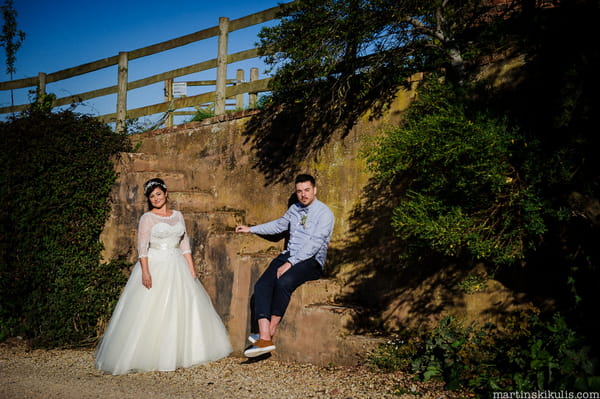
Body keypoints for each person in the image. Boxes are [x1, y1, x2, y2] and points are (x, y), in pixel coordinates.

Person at [95, 178, 232, 375]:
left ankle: (185, 354)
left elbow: (184, 244)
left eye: (158, 194)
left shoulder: (178, 215)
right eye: (152, 196)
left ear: (166, 193)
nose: (156, 198)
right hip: (156, 263)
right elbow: (142, 248)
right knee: (152, 309)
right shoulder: (147, 218)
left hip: (178, 264)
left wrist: (192, 268)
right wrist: (146, 271)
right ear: (149, 199)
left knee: (181, 307)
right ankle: (147, 354)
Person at [235, 174, 334, 357]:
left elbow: (315, 244)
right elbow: (279, 225)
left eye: (307, 190)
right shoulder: (294, 209)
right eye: (299, 191)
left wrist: (291, 263)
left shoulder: (324, 213)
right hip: (289, 254)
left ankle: (268, 333)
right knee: (262, 285)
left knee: (283, 283)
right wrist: (251, 229)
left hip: (311, 260)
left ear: (314, 190)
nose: (303, 195)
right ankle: (264, 336)